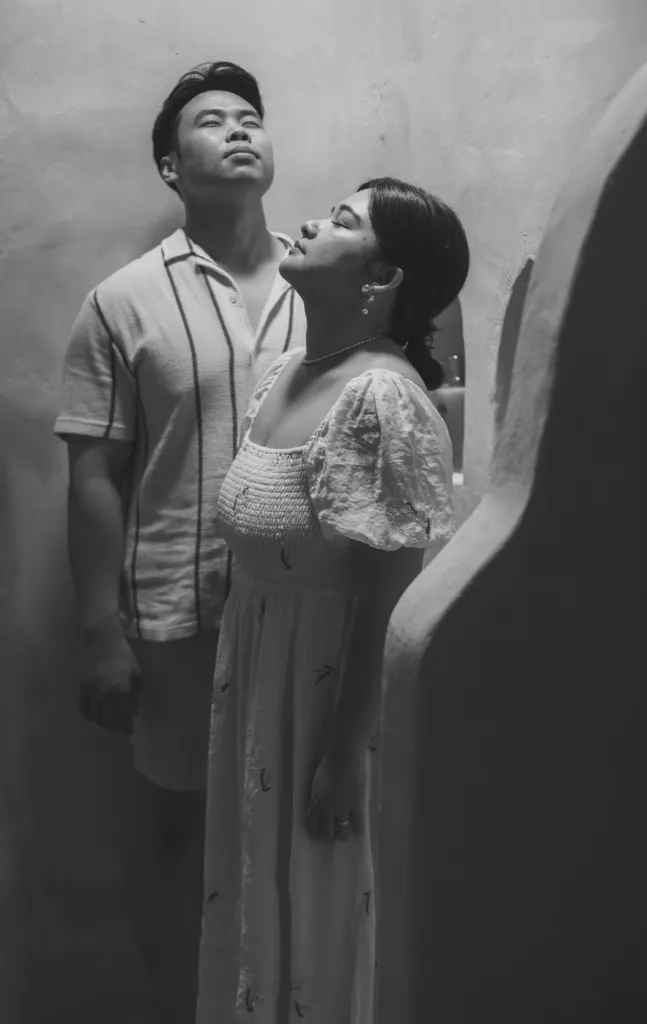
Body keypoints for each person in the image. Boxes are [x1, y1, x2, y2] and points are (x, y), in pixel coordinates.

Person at [54, 62, 305, 1024]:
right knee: (175, 831)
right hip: (174, 618)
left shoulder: (325, 279)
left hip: (304, 612)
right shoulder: (121, 302)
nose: (239, 130)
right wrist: (98, 631)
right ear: (171, 166)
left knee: (291, 828)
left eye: (250, 118)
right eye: (211, 122)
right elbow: (93, 475)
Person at [196, 177, 469, 1023]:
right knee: (252, 897)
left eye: (344, 221)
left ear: (381, 278)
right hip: (257, 680)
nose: (312, 221)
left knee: (315, 914)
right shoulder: (286, 371)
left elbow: (388, 597)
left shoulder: (381, 398)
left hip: (321, 703)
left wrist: (344, 757)